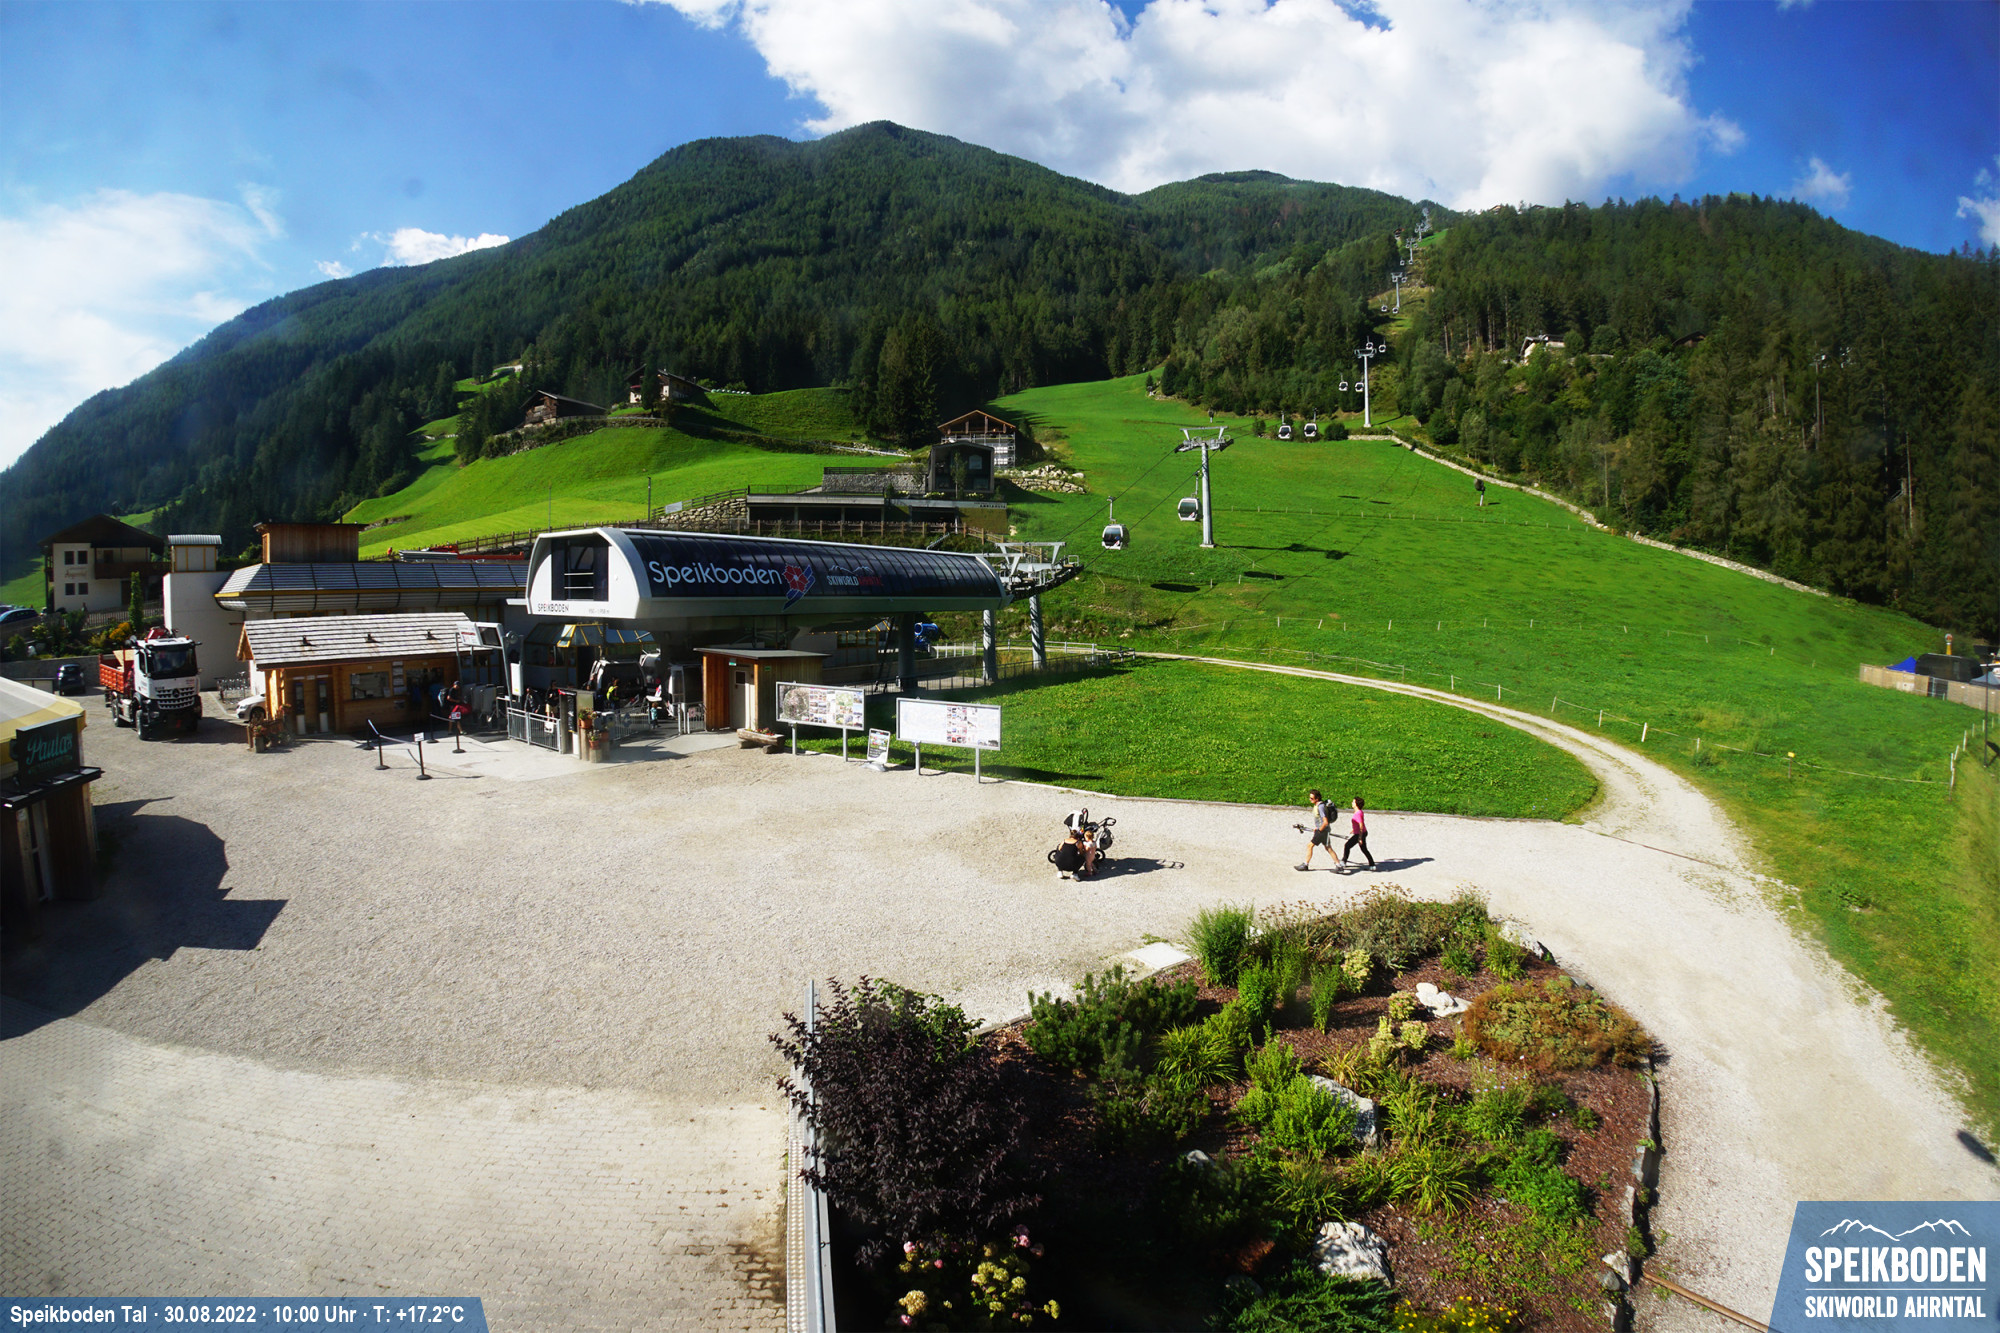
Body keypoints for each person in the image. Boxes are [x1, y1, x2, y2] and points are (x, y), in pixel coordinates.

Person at [1296, 789, 1337, 871]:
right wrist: (1318, 827)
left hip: (1322, 831)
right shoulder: (1318, 805)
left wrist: (1319, 830)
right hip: (1323, 830)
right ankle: (1339, 865)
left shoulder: (1320, 807)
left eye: (1311, 798)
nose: (1310, 799)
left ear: (1317, 798)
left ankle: (1305, 865)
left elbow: (1325, 822)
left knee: (1310, 845)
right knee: (1328, 848)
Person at [1341, 796, 1376, 870]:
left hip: (1360, 834)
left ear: (1357, 804)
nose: (1352, 803)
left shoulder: (1358, 813)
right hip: (1361, 832)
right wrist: (1354, 829)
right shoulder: (1359, 812)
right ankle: (1372, 865)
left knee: (1347, 846)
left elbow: (1361, 825)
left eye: (1353, 802)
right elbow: (1358, 824)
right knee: (1364, 849)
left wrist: (1360, 838)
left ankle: (1344, 861)